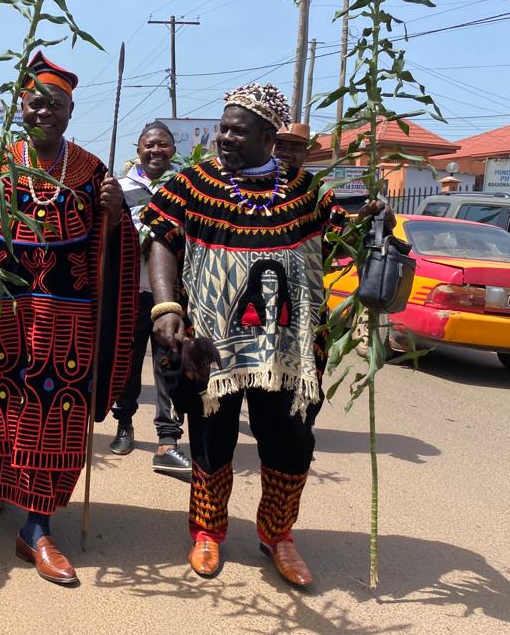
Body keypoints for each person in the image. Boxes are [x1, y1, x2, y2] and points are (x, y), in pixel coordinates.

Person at [141, 83, 390, 588]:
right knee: (212, 436)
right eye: (223, 128)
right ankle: (208, 531)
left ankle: (278, 535)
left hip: (288, 347)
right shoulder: (190, 184)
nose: (224, 138)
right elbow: (162, 242)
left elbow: (345, 237)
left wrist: (374, 219)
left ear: (269, 136)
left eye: (238, 130)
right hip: (213, 343)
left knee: (289, 439)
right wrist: (167, 306)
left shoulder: (305, 190)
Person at [0, 54, 139, 584]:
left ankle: (37, 529)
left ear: (70, 111)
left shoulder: (92, 172)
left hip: (69, 324)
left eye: (56, 104)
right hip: (2, 320)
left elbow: (113, 256)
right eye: (35, 102)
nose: (45, 110)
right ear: (21, 106)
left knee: (57, 416)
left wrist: (116, 217)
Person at [110, 122, 192, 476]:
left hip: (171, 295)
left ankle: (168, 439)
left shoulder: (186, 188)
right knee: (126, 364)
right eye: (149, 144)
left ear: (174, 150)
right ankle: (124, 424)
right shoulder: (122, 187)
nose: (156, 150)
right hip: (129, 290)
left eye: (164, 145)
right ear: (138, 149)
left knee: (170, 364)